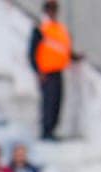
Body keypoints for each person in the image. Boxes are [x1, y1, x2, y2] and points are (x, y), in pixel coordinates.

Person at [28, 0, 80, 141]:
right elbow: (32, 53)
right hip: (46, 72)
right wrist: (38, 71)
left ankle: (53, 130)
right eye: (50, 9)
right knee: (49, 103)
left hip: (58, 70)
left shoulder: (59, 29)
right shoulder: (41, 28)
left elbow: (64, 49)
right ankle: (46, 131)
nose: (53, 12)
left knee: (57, 102)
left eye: (55, 9)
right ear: (46, 11)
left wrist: (75, 57)